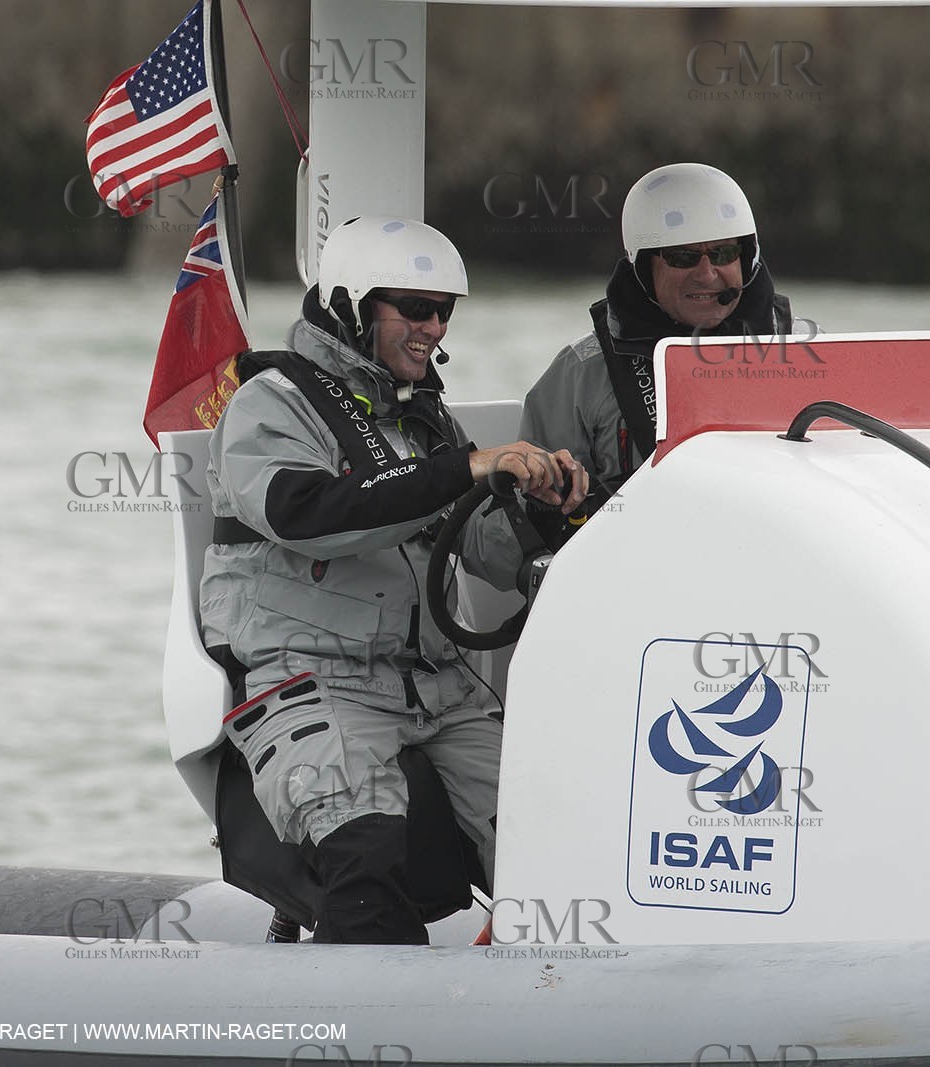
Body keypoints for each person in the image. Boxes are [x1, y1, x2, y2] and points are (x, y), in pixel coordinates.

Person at [200, 215, 587, 944]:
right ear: (351, 306)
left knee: (566, 849)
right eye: (414, 308)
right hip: (314, 679)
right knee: (367, 863)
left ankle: (550, 991)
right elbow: (307, 513)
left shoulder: (423, 416)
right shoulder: (270, 403)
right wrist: (463, 469)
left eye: (443, 311)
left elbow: (479, 545)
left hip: (440, 688)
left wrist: (543, 506)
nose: (432, 327)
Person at [519, 162, 802, 545]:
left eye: (723, 253)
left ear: (747, 258)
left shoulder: (809, 351)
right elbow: (503, 551)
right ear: (643, 267)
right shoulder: (580, 373)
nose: (707, 274)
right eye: (683, 257)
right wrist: (546, 506)